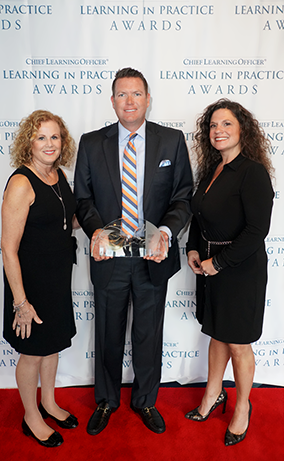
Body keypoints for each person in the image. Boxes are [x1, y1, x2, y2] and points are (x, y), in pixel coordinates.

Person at [74, 67, 193, 435]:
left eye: (136, 94)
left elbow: (182, 197)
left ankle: (145, 400)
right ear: (112, 101)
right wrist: (95, 231)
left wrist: (166, 233)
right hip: (109, 258)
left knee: (148, 334)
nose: (129, 101)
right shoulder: (91, 143)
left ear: (148, 99)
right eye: (122, 95)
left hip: (152, 258)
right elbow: (83, 199)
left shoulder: (171, 141)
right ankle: (107, 400)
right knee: (108, 333)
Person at [185, 99, 274, 446]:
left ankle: (242, 408)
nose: (218, 131)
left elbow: (256, 231)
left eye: (226, 125)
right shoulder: (212, 172)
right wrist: (193, 248)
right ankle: (212, 395)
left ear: (242, 130)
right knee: (216, 333)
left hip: (240, 270)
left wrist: (218, 263)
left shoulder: (252, 172)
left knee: (238, 342)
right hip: (208, 266)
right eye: (213, 126)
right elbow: (198, 216)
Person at [2, 110, 79, 448]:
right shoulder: (22, 182)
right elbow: (7, 248)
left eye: (55, 137)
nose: (50, 144)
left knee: (52, 346)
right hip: (29, 284)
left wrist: (109, 222)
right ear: (29, 143)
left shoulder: (57, 174)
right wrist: (21, 302)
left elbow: (65, 221)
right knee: (32, 352)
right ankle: (31, 416)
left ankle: (48, 402)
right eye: (41, 137)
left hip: (58, 279)